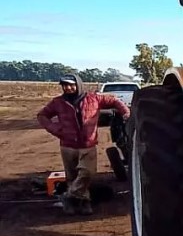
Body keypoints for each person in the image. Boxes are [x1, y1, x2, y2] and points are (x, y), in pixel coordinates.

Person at [37, 74, 131, 215]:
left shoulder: (94, 98)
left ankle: (69, 196)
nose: (68, 88)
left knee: (87, 173)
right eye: (64, 85)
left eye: (71, 85)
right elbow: (42, 116)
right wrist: (56, 129)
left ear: (78, 85)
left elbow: (114, 101)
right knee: (72, 177)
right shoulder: (57, 102)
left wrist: (125, 112)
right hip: (67, 146)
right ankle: (82, 204)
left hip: (88, 145)